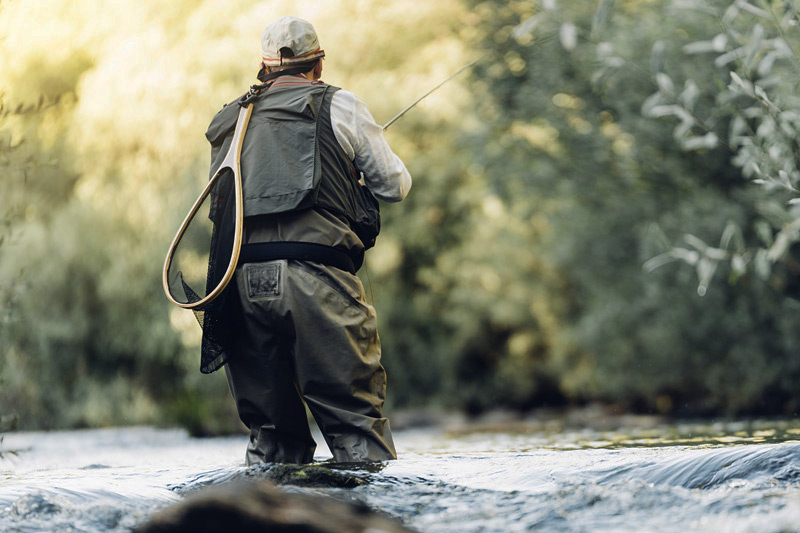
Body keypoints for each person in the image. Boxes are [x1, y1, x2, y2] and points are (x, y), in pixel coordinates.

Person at [203, 16, 411, 465]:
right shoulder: (340, 104)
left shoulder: (228, 119)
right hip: (317, 279)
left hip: (237, 286)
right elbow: (395, 186)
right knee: (355, 426)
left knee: (272, 441)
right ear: (318, 64)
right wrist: (349, 174)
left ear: (264, 69)